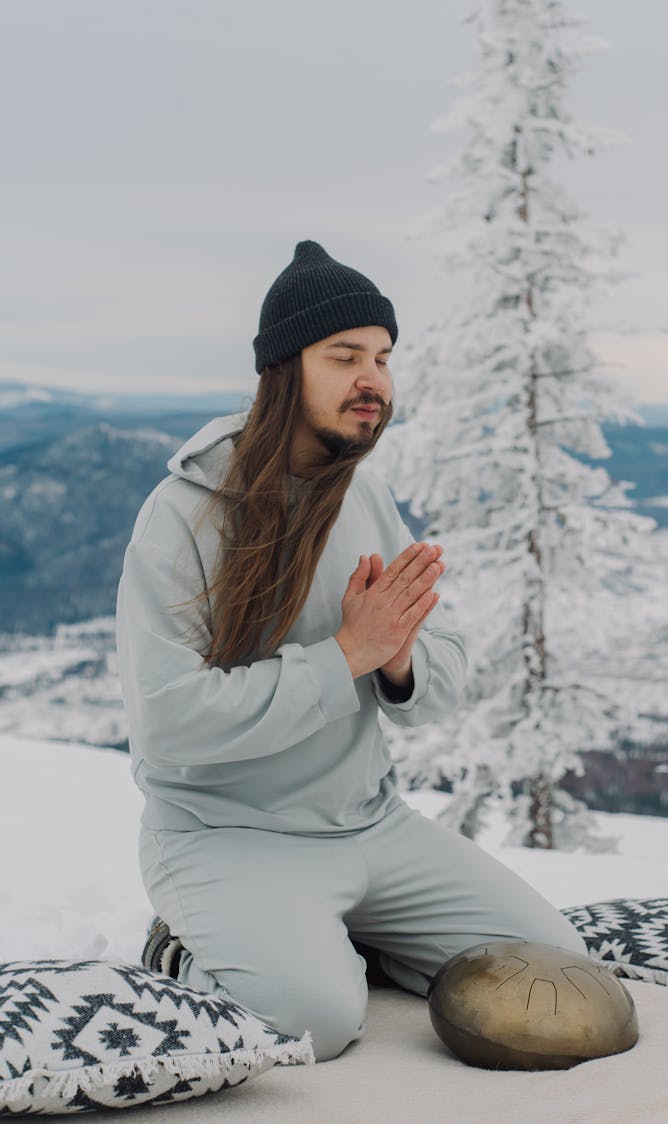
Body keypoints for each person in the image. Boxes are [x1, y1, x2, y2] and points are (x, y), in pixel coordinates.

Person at [116, 240, 587, 1063]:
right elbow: (169, 726)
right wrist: (345, 657)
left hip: (371, 827)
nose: (373, 379)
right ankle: (191, 948)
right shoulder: (183, 515)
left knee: (553, 974)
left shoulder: (363, 495)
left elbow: (441, 680)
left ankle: (335, 942)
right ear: (281, 371)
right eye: (344, 357)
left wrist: (397, 660)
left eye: (382, 357)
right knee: (315, 1023)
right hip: (229, 835)